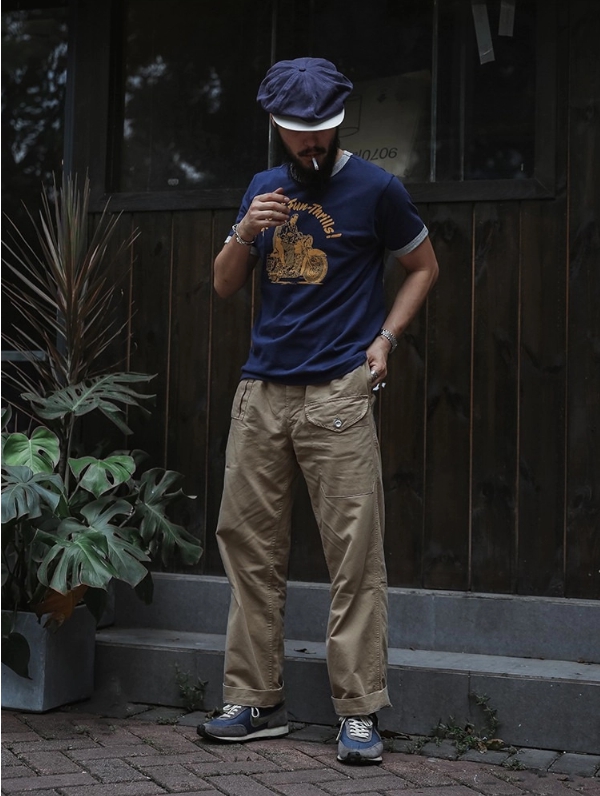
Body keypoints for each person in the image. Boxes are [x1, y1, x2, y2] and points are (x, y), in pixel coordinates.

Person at [198, 57, 439, 764]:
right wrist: (246, 230)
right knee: (248, 549)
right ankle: (254, 700)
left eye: (322, 130)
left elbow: (424, 266)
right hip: (261, 393)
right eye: (298, 132)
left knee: (354, 556)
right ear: (278, 127)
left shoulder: (377, 189)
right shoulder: (262, 188)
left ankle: (359, 712)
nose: (311, 143)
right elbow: (222, 285)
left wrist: (385, 340)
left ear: (339, 124)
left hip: (338, 391)